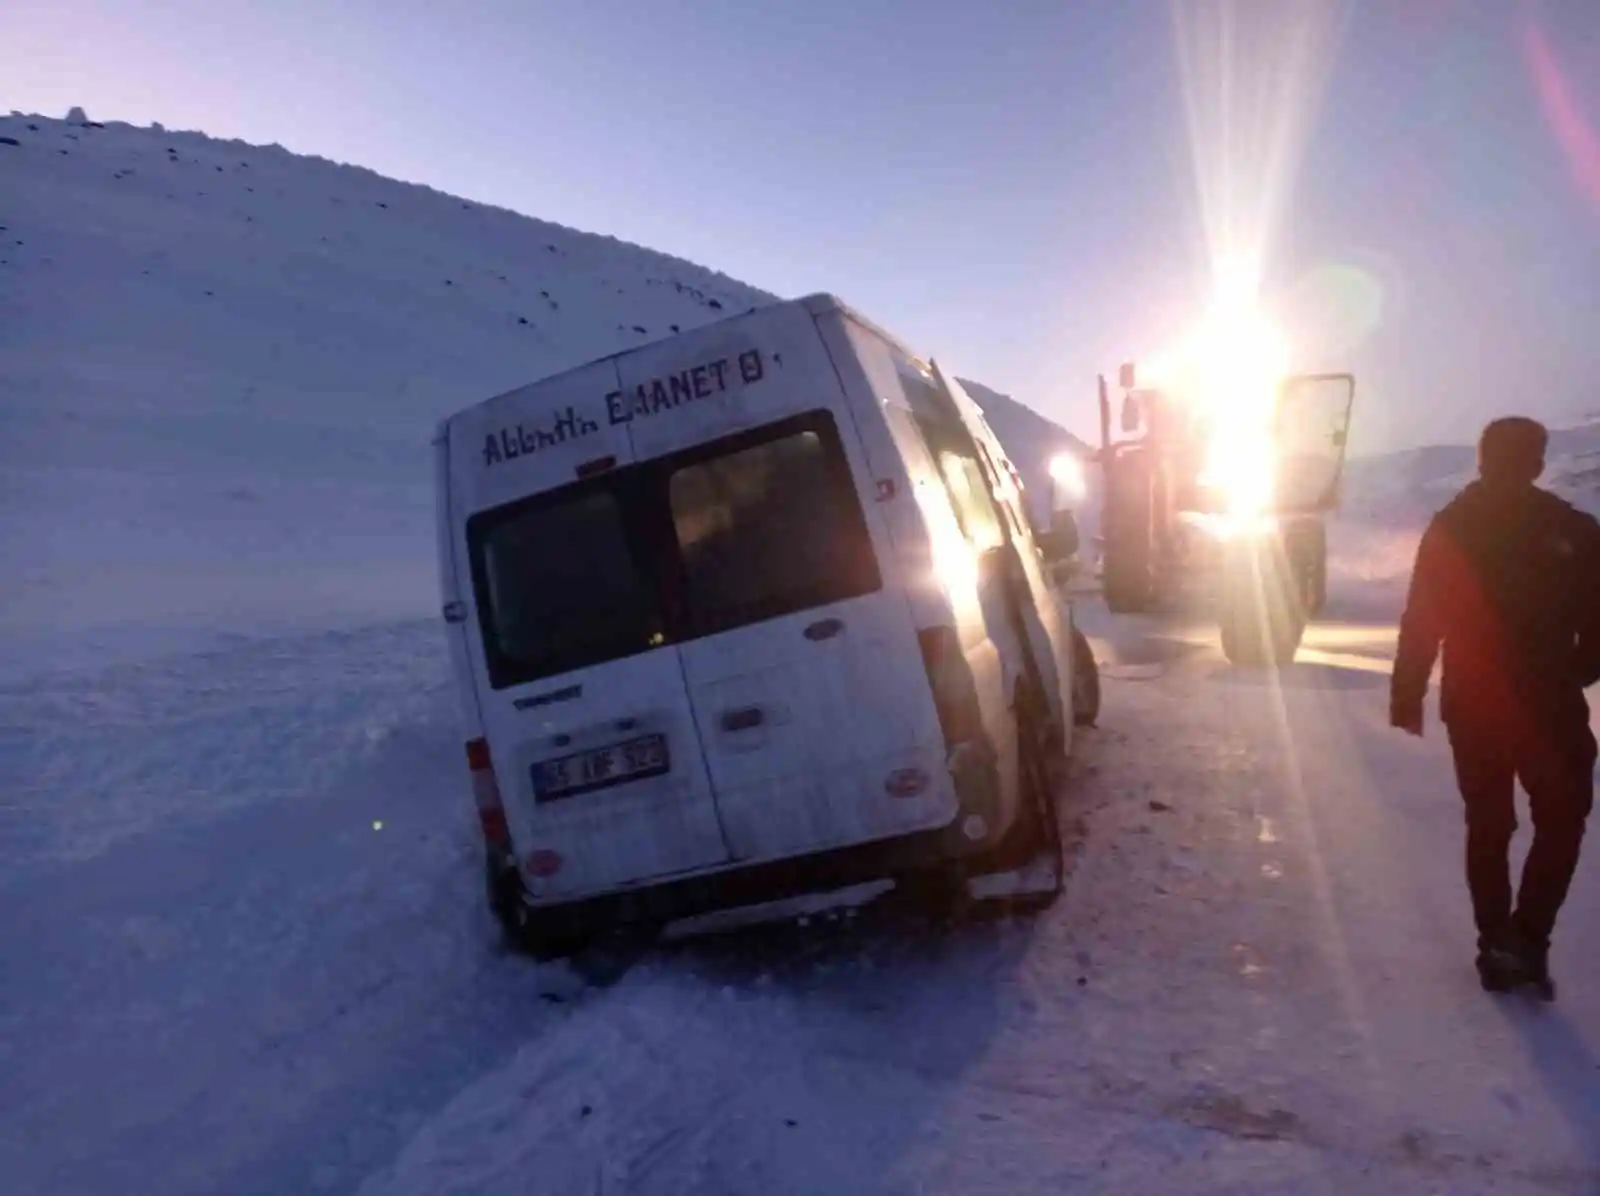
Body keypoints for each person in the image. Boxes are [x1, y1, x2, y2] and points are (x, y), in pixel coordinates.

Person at [1390, 416, 1600, 999]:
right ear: (1537, 462)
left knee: (1491, 822)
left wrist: (1409, 693)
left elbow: (1421, 619)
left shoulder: (1453, 527)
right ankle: (1523, 941)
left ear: (1483, 460)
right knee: (1559, 818)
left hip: (1477, 701)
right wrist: (1575, 672)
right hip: (1546, 704)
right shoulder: (1574, 528)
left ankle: (1501, 944)